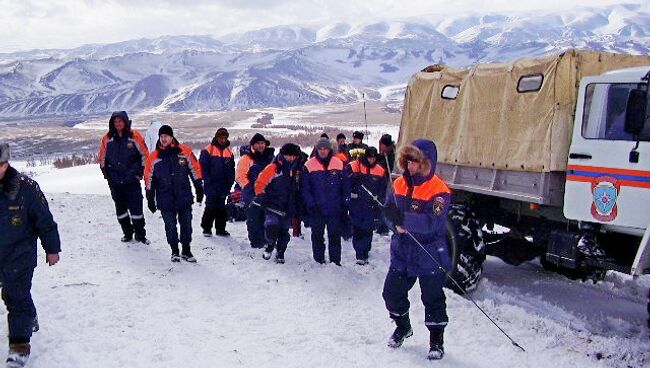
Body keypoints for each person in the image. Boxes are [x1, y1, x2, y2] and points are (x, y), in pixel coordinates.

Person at [382, 139, 452, 361]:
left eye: (416, 162)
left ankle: (436, 341)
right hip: (402, 252)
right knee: (391, 294)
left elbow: (434, 222)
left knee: (432, 298)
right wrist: (394, 223)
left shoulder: (439, 190)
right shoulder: (399, 184)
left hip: (429, 253)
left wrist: (405, 220)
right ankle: (403, 327)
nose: (411, 167)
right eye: (408, 161)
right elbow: (387, 212)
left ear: (427, 163)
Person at [0, 143, 61, 368]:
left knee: (16, 297)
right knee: (9, 295)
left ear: (6, 164)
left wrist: (52, 248)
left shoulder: (26, 189)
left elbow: (44, 221)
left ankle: (19, 347)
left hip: (20, 255)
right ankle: (30, 316)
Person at [145, 125, 204, 262]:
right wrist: (149, 197)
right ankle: (174, 250)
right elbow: (149, 179)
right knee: (170, 226)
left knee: (186, 225)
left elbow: (195, 169)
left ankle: (186, 250)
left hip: (184, 196)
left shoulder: (184, 151)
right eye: (161, 136)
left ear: (172, 137)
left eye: (166, 136)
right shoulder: (154, 157)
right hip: (165, 199)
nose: (163, 139)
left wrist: (199, 187)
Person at [98, 111, 150, 244]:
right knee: (121, 210)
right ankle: (127, 233)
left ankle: (140, 234)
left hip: (131, 179)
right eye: (115, 122)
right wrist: (107, 175)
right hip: (115, 181)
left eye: (120, 121)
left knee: (136, 209)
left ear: (125, 121)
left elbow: (144, 155)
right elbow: (102, 158)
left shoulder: (134, 136)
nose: (118, 124)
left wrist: (139, 172)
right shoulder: (107, 139)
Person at [301, 138, 348, 265]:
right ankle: (318, 260)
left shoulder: (338, 163)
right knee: (317, 235)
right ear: (316, 150)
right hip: (317, 208)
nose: (322, 151)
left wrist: (344, 203)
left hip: (334, 208)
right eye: (320, 149)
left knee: (334, 235)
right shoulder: (309, 165)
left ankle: (335, 261)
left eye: (325, 149)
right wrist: (311, 204)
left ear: (329, 150)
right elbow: (305, 189)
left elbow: (345, 186)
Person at [254, 143, 302, 264]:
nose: (291, 158)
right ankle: (269, 246)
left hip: (287, 206)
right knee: (272, 226)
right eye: (288, 156)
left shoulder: (295, 169)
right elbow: (260, 183)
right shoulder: (273, 168)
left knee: (284, 233)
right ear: (282, 154)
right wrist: (261, 196)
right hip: (272, 205)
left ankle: (280, 253)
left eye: (293, 156)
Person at [345, 147, 386, 265]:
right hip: (357, 203)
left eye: (374, 158)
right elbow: (346, 183)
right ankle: (359, 252)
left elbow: (382, 188)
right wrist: (352, 179)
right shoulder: (354, 166)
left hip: (371, 205)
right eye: (369, 158)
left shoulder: (380, 170)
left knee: (368, 229)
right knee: (357, 228)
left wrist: (379, 199)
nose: (371, 160)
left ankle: (365, 252)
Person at [236, 133, 275, 248]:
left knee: (268, 219)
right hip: (251, 194)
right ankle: (257, 243)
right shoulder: (246, 158)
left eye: (262, 143)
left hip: (268, 193)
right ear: (253, 145)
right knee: (254, 220)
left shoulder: (271, 158)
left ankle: (268, 241)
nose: (261, 145)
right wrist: (249, 188)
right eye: (258, 143)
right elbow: (240, 176)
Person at [199, 128, 235, 237]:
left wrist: (230, 181)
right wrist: (208, 181)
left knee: (221, 208)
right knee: (210, 206)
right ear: (216, 137)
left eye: (225, 138)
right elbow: (203, 168)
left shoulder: (229, 152)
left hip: (224, 185)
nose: (223, 140)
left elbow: (231, 168)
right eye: (221, 137)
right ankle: (206, 229)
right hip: (211, 184)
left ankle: (220, 229)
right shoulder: (208, 150)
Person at [376, 134, 396, 236]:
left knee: (384, 203)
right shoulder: (383, 155)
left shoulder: (392, 156)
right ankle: (381, 225)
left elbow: (389, 169)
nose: (380, 147)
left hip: (388, 183)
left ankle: (384, 226)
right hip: (382, 182)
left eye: (381, 145)